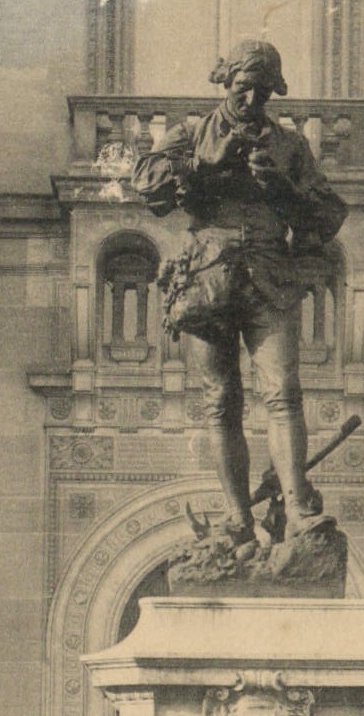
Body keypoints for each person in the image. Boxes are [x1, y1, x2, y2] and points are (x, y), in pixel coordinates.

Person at [131, 39, 347, 548]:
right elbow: (145, 183)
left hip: (271, 276)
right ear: (226, 82)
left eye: (263, 93)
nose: (252, 101)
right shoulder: (192, 133)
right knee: (220, 400)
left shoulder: (290, 145)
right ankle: (236, 519)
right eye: (244, 89)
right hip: (208, 279)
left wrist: (283, 189)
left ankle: (298, 509)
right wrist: (205, 165)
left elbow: (329, 215)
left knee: (284, 391)